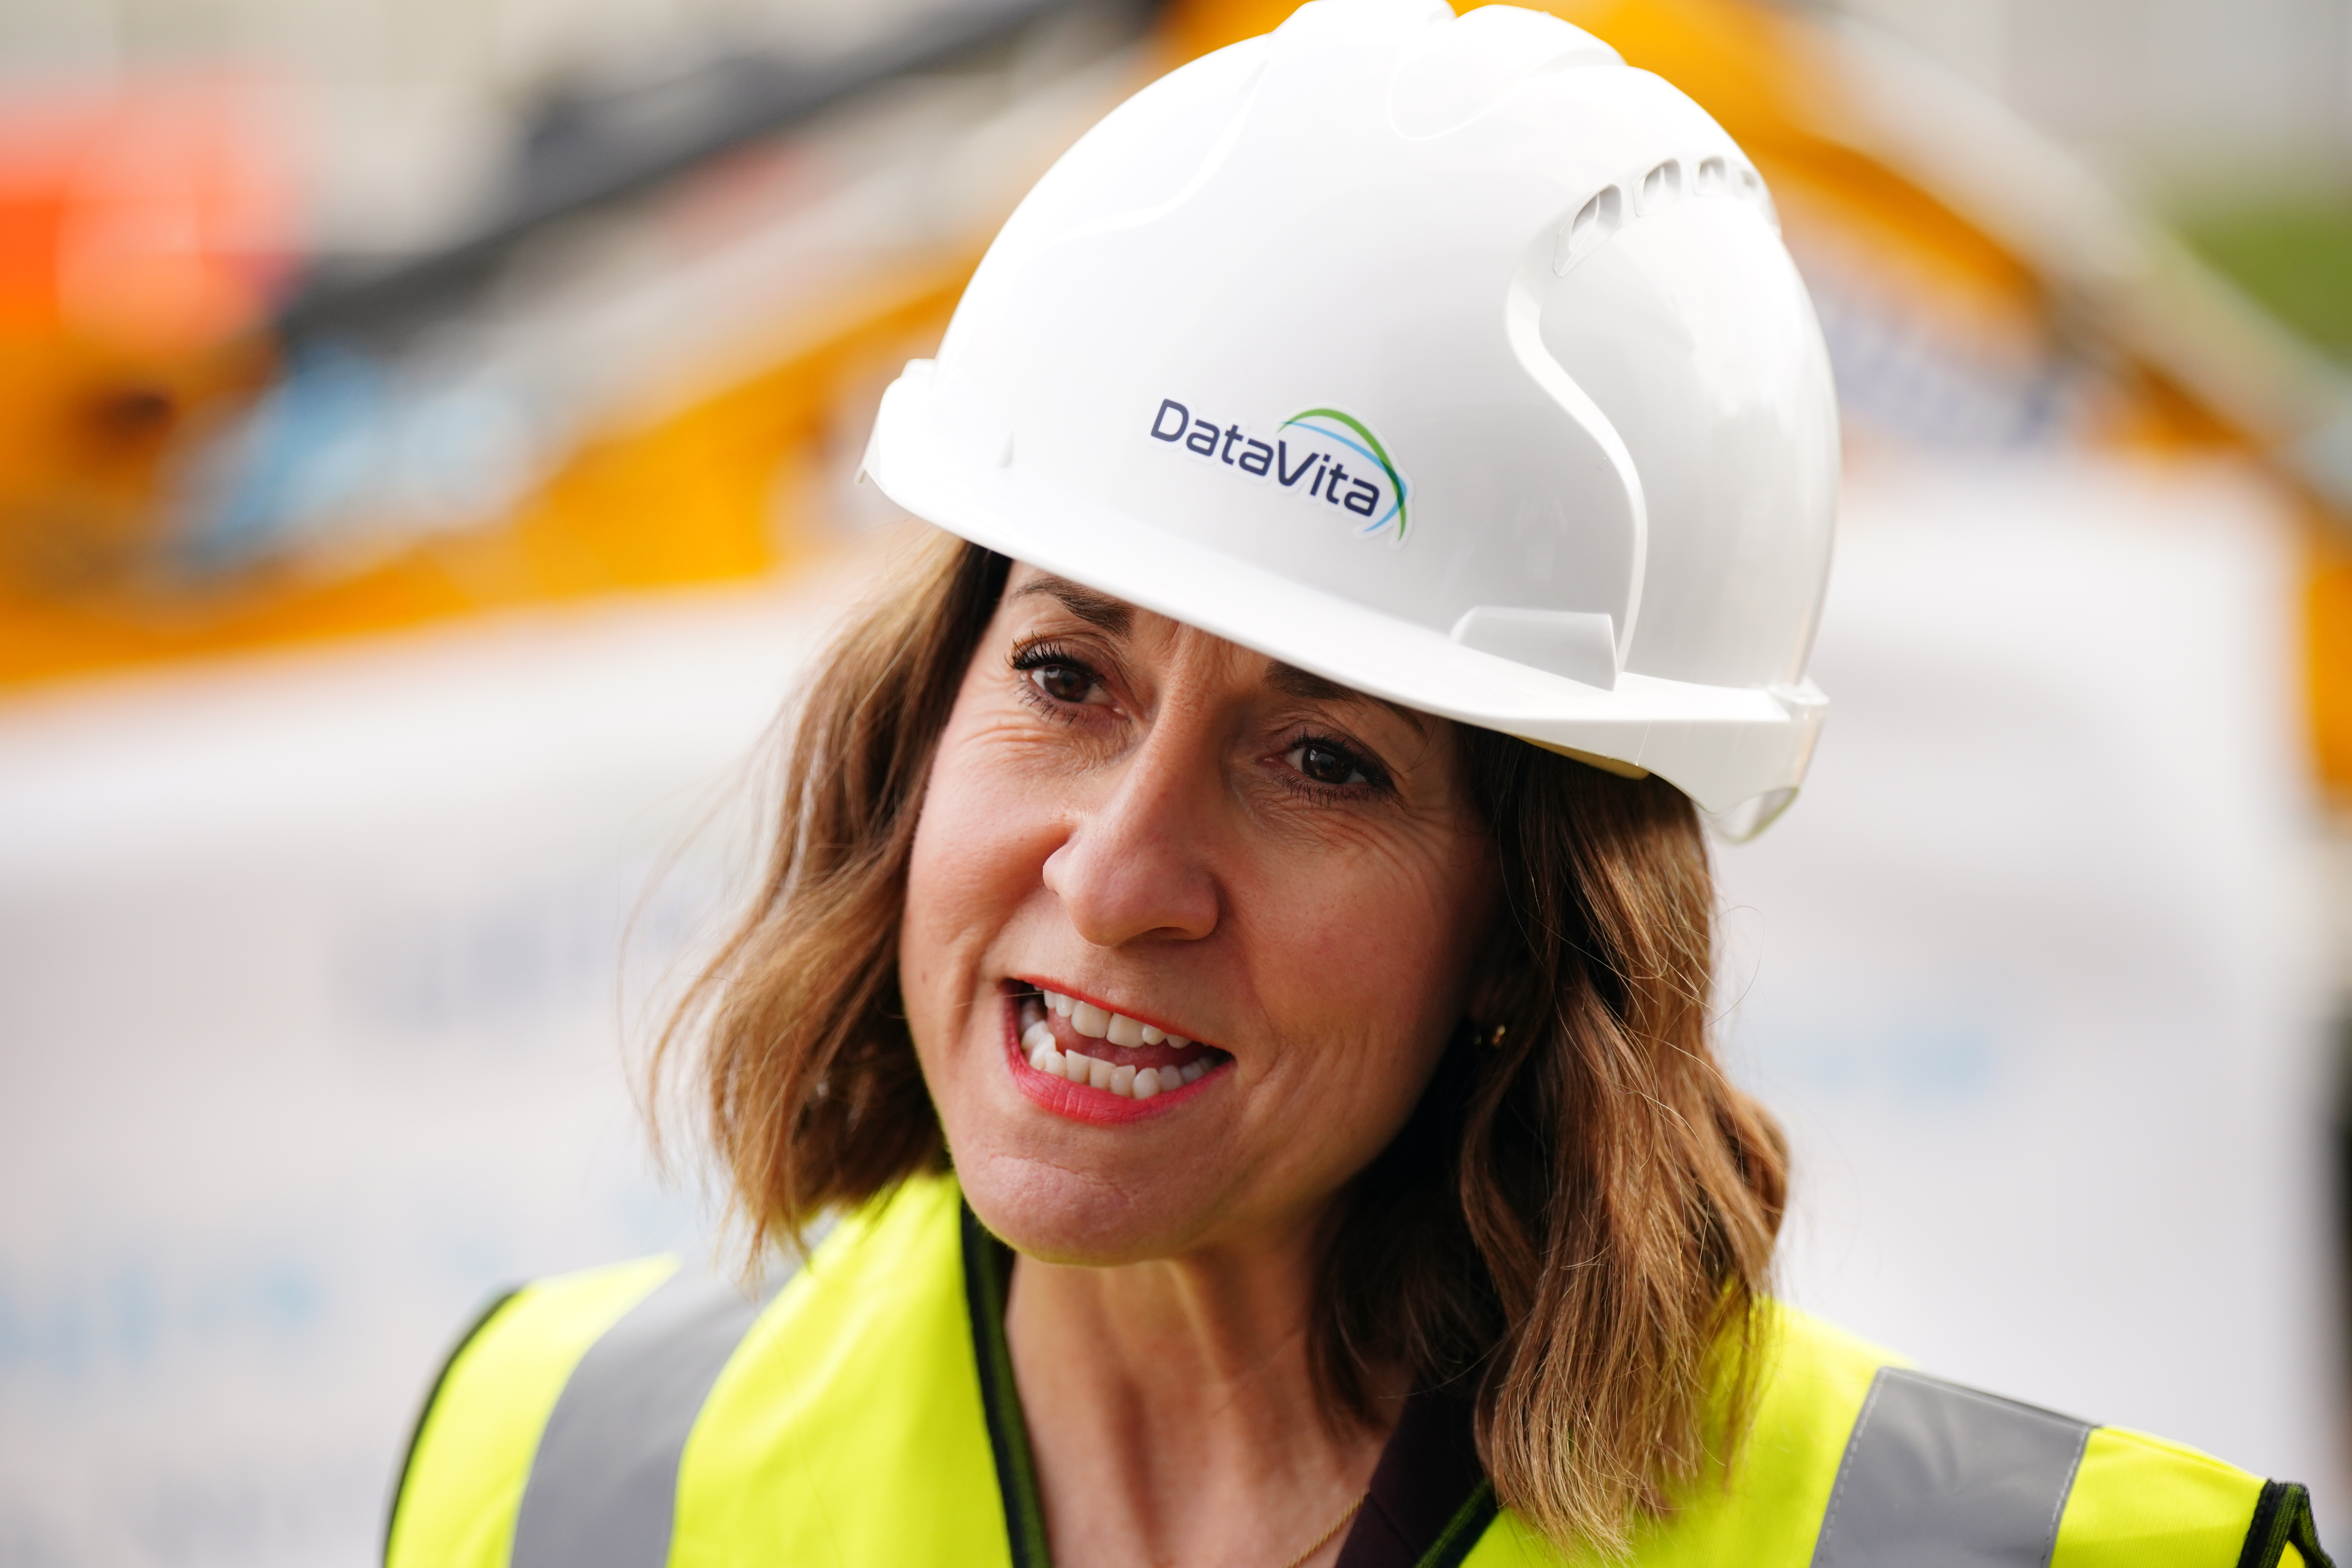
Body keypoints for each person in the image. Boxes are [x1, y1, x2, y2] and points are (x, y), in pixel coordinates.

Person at [384, 4, 2332, 1565]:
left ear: (1532, 922)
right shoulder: (546, 1475)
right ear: (921, 724)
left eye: (1326, 760)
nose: (1126, 867)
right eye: (1066, 674)